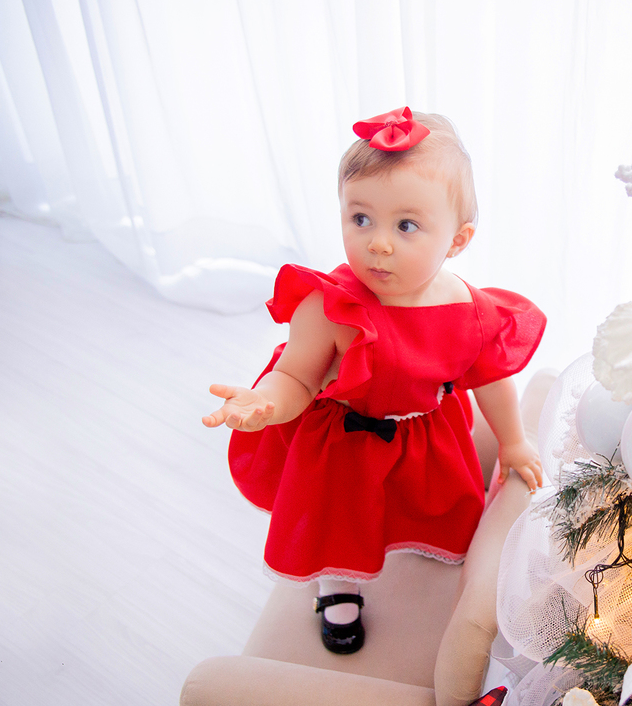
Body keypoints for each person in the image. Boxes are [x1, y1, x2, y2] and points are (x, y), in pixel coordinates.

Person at [203, 107, 545, 654]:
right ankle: (337, 586)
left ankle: (420, 559)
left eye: (405, 226)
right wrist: (265, 402)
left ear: (457, 240)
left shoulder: (466, 308)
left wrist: (514, 439)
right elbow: (296, 375)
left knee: (426, 508)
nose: (377, 243)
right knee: (340, 520)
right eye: (361, 219)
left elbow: (491, 378)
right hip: (345, 441)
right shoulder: (329, 304)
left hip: (424, 434)